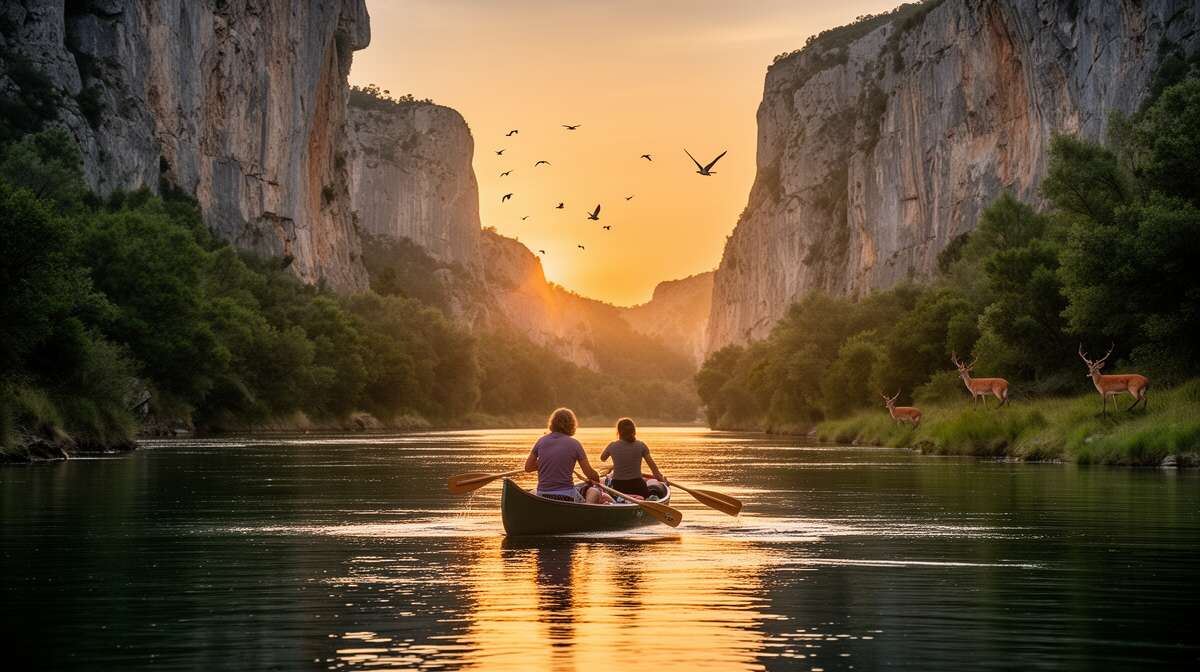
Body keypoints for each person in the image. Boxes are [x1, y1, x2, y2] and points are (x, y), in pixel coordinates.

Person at [525, 408, 612, 504]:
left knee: (533, 491)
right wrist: (596, 479)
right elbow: (589, 473)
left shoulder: (541, 441)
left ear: (552, 423)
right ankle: (585, 511)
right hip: (567, 496)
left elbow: (528, 467)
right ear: (571, 425)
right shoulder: (575, 444)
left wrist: (545, 462)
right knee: (594, 491)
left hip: (543, 494)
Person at [600, 418, 666, 499]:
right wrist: (663, 481)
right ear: (634, 431)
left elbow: (602, 458)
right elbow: (654, 470)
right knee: (654, 488)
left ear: (619, 432)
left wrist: (616, 463)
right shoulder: (641, 445)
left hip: (618, 487)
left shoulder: (612, 445)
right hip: (637, 486)